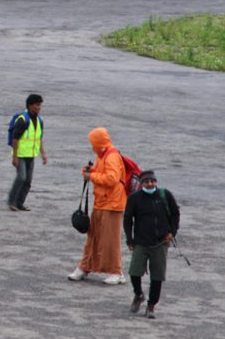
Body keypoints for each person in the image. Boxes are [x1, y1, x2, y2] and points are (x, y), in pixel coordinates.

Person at [69, 127, 127, 285]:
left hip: (113, 204)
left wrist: (92, 176)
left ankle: (117, 271)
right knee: (93, 235)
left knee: (110, 239)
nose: (92, 147)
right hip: (101, 201)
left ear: (99, 143)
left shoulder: (112, 156)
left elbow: (112, 179)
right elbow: (102, 173)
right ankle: (85, 267)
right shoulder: (101, 156)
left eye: (93, 143)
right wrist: (89, 171)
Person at [123, 170, 180, 319]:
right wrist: (129, 239)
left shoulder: (165, 195)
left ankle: (151, 305)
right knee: (134, 272)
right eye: (147, 181)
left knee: (157, 277)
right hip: (141, 242)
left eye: (152, 181)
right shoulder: (134, 198)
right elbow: (127, 219)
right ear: (141, 184)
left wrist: (172, 232)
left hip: (160, 243)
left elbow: (175, 213)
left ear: (156, 182)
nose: (150, 184)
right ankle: (138, 294)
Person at [8, 94, 48, 211]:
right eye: (37, 105)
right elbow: (15, 139)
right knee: (21, 177)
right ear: (30, 106)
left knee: (28, 180)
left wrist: (43, 154)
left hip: (31, 154)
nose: (39, 107)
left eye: (40, 105)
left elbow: (39, 138)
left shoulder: (39, 120)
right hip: (20, 154)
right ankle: (12, 201)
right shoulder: (23, 120)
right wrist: (14, 157)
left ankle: (20, 203)